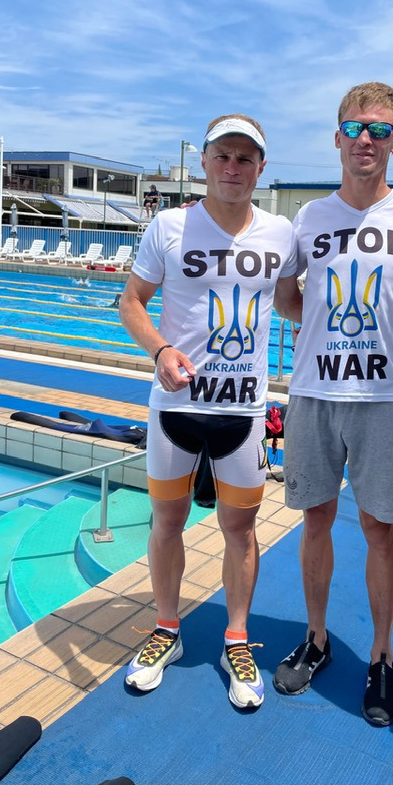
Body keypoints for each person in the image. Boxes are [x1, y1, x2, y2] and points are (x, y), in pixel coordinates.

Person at [272, 82, 393, 725]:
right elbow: (287, 295)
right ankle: (317, 640)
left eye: (378, 129)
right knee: (314, 520)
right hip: (313, 394)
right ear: (337, 137)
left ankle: (381, 655)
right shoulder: (308, 218)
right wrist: (321, 326)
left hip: (381, 401)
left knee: (379, 530)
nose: (364, 139)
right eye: (353, 128)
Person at [119, 114, 298, 709]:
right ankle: (166, 628)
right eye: (223, 155)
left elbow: (295, 304)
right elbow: (131, 302)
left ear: (260, 168)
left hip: (243, 414)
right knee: (166, 523)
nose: (232, 167)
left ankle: (236, 638)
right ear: (204, 161)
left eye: (245, 158)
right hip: (174, 407)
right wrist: (159, 350)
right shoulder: (169, 226)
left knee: (240, 530)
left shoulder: (280, 234)